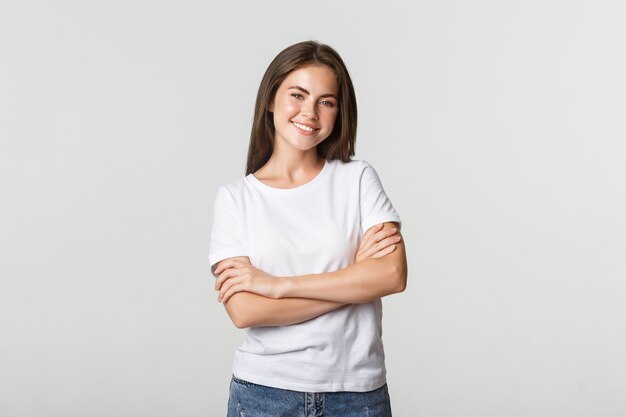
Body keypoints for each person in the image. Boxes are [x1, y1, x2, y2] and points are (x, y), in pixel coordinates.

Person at [208, 40, 407, 417]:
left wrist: (279, 286)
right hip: (264, 394)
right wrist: (354, 281)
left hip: (357, 395)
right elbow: (245, 310)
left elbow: (392, 275)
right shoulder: (235, 199)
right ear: (270, 100)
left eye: (326, 101)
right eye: (297, 95)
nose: (310, 112)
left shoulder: (358, 179)